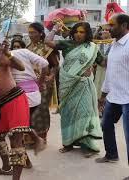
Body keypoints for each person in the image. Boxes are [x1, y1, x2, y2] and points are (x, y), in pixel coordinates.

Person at [0, 31, 45, 180]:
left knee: (15, 140)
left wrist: (9, 54)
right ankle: (6, 168)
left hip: (15, 100)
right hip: (1, 104)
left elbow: (20, 67)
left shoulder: (0, 55)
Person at [45, 22, 104, 157]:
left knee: (84, 113)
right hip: (67, 84)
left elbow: (103, 62)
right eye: (76, 31)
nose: (78, 34)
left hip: (84, 85)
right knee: (68, 114)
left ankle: (87, 145)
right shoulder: (67, 44)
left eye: (82, 32)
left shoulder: (92, 47)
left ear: (87, 33)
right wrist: (55, 29)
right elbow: (47, 41)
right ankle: (68, 143)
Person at [95, 14, 129, 169]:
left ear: (124, 26)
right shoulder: (114, 44)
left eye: (112, 25)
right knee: (106, 124)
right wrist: (103, 95)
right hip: (114, 95)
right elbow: (110, 71)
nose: (108, 28)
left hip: (128, 99)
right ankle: (111, 155)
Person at [10, 37, 49, 168]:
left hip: (20, 98)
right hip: (34, 95)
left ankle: (35, 143)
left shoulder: (5, 56)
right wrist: (41, 82)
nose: (15, 48)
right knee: (19, 129)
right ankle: (27, 159)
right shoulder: (25, 52)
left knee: (16, 132)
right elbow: (45, 64)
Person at [25, 22, 60, 143]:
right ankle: (31, 137)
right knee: (31, 108)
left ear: (40, 34)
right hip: (31, 83)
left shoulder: (47, 48)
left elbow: (55, 65)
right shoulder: (27, 48)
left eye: (33, 32)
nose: (31, 35)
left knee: (41, 109)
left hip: (44, 83)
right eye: (29, 33)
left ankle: (42, 136)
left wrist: (51, 76)